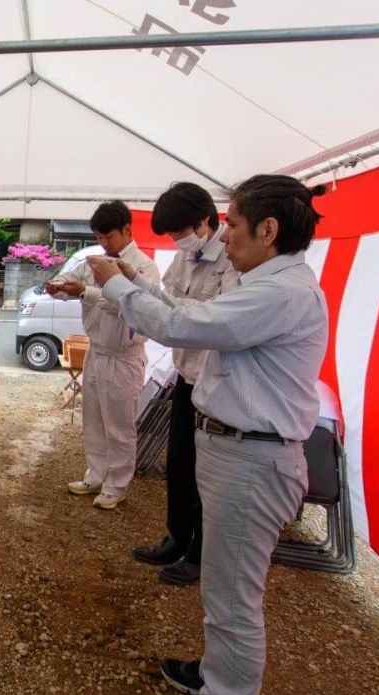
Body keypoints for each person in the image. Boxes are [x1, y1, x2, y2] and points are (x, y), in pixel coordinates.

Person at [87, 175, 329, 695]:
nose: (226, 235)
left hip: (252, 457)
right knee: (225, 588)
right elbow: (190, 309)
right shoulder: (262, 283)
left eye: (236, 226)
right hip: (237, 449)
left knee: (233, 598)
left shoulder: (280, 293)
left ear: (268, 231)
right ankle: (218, 679)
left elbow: (184, 326)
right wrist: (131, 285)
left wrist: (120, 288)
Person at [130, 183, 238, 586]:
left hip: (216, 384)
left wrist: (152, 300)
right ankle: (177, 538)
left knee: (204, 472)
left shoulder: (232, 258)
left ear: (205, 220)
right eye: (172, 234)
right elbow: (166, 299)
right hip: (186, 377)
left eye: (180, 231)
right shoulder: (185, 258)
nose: (177, 240)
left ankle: (198, 554)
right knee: (178, 463)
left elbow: (213, 318)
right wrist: (137, 291)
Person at [46, 201, 160, 510]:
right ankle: (95, 474)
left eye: (108, 236)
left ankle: (117, 484)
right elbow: (72, 281)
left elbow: (127, 306)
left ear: (127, 229)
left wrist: (85, 291)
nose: (103, 243)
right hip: (96, 349)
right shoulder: (94, 260)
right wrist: (57, 287)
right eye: (98, 237)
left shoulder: (143, 268)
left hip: (124, 356)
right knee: (93, 417)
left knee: (120, 425)